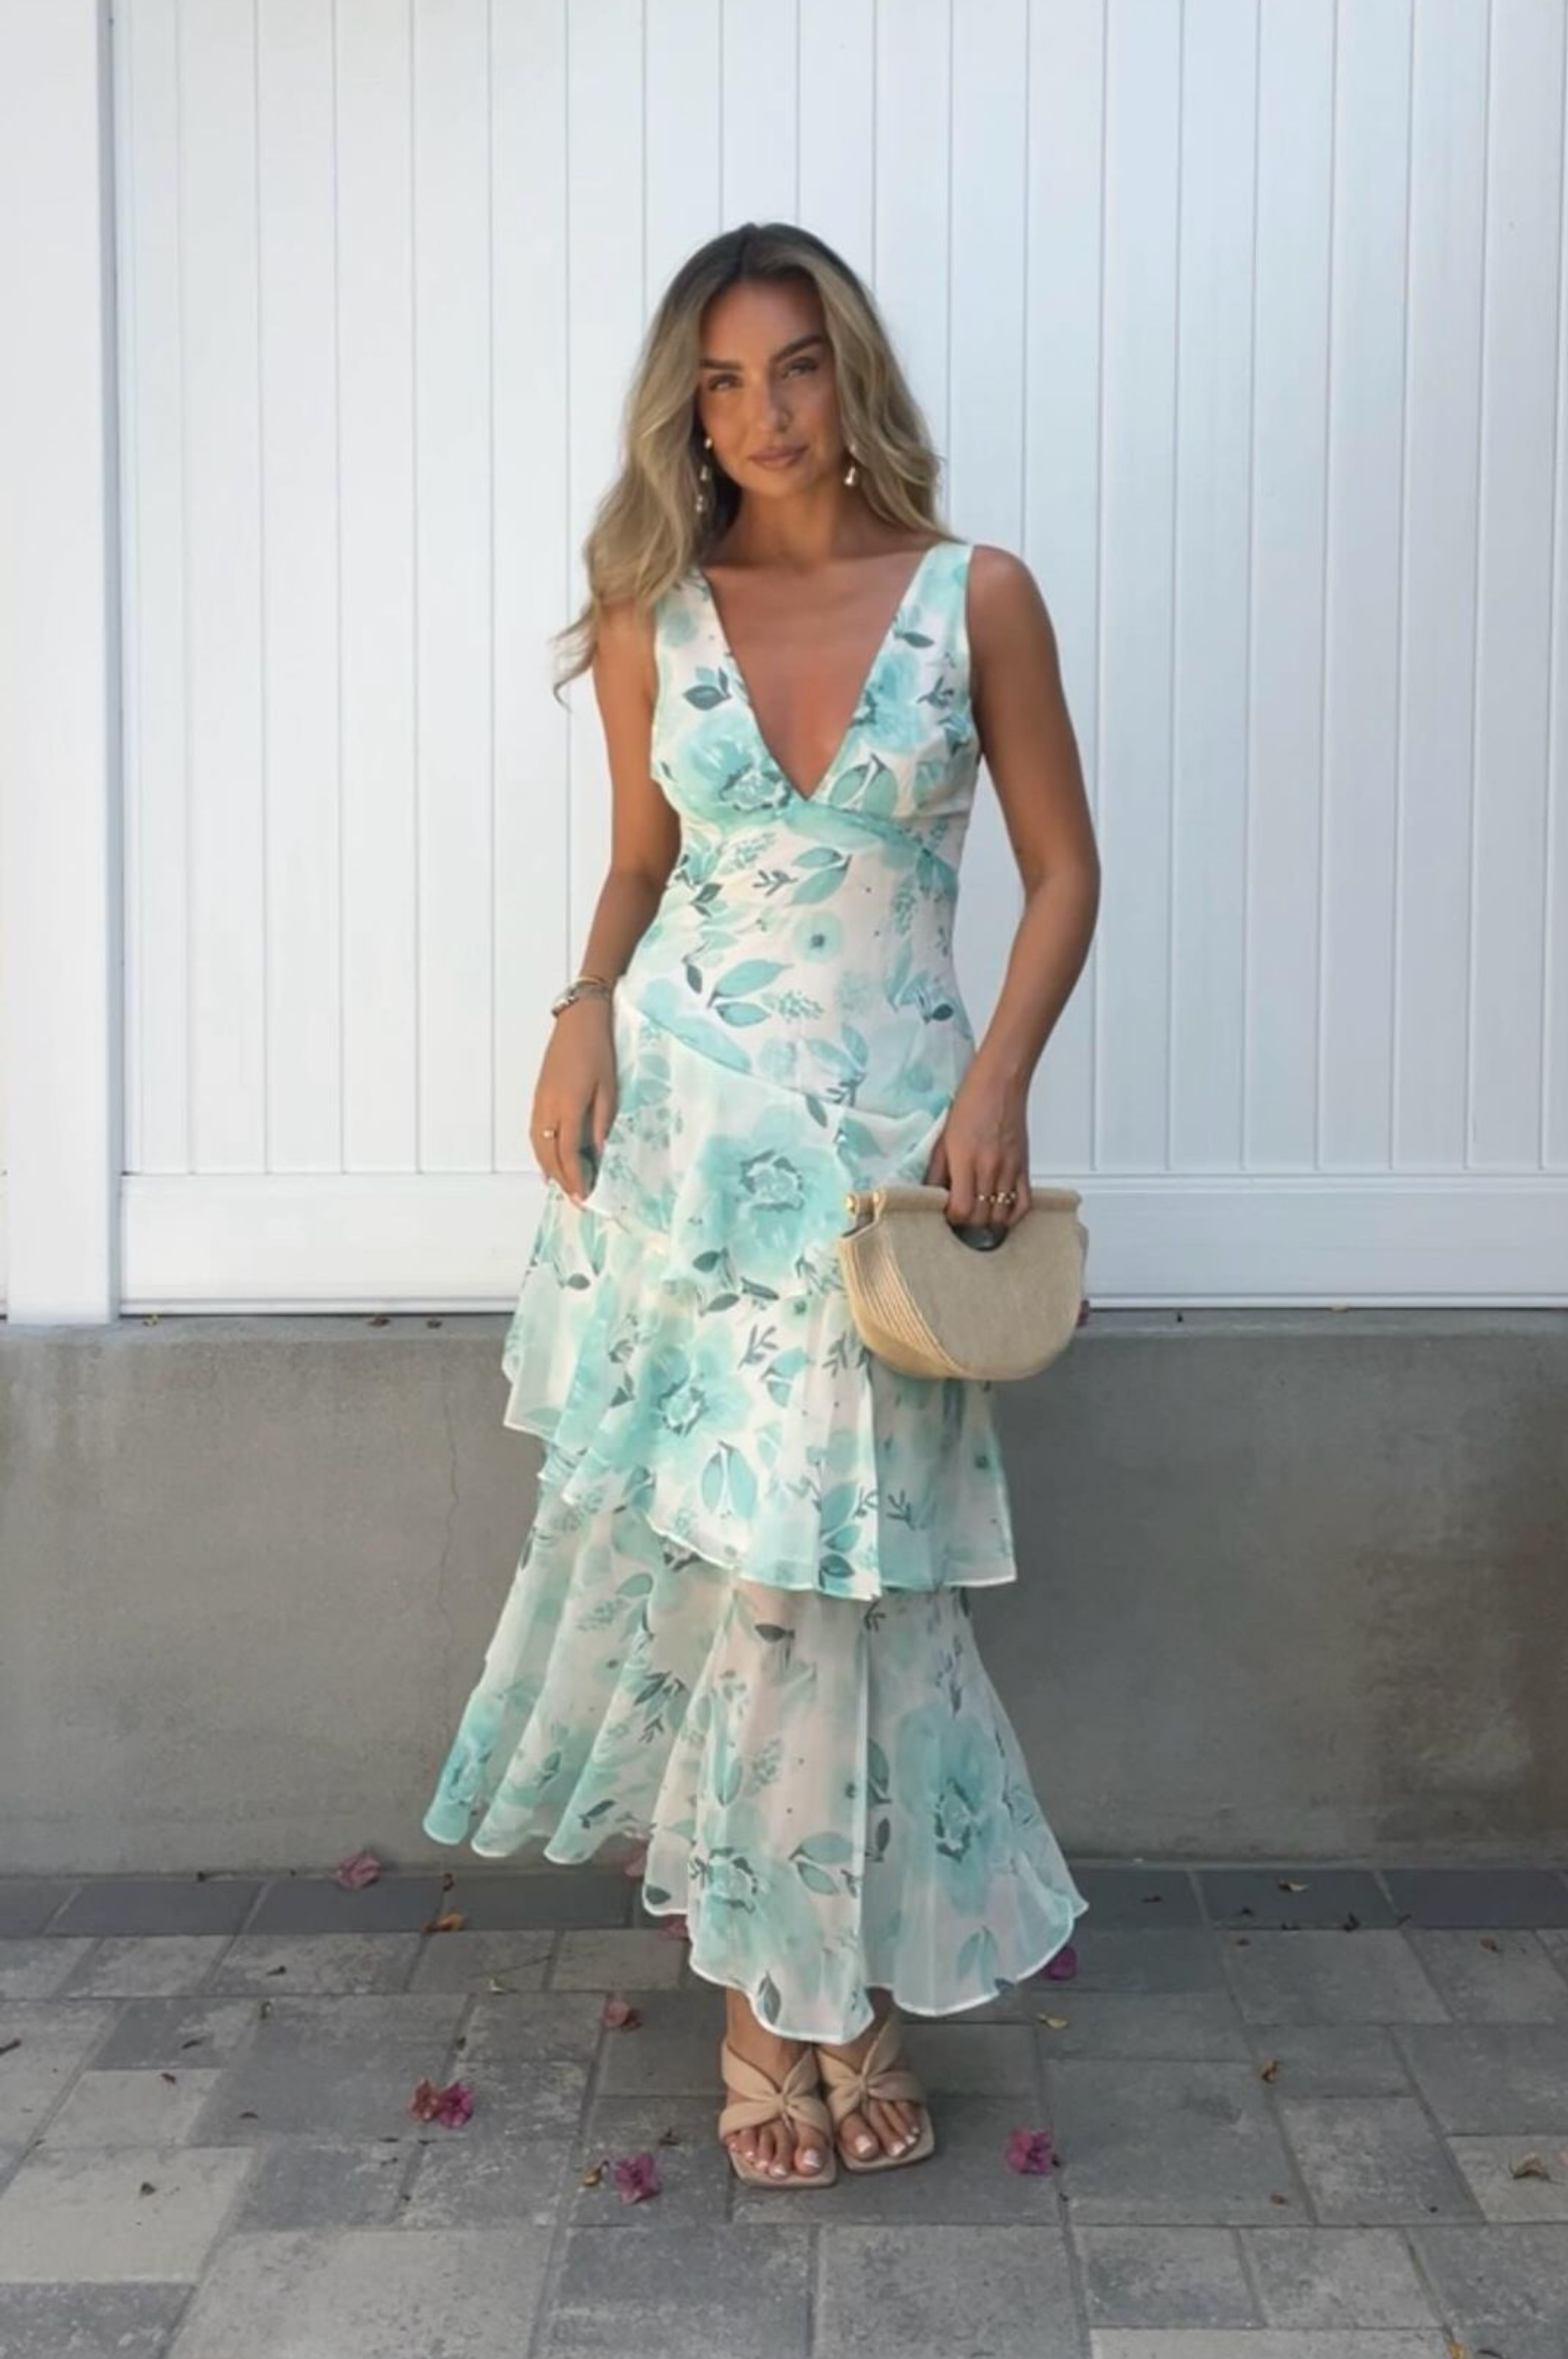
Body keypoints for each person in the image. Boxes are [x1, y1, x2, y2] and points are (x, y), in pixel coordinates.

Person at [422, 220, 1100, 2190]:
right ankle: (812, 2006)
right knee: (754, 1578)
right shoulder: (655, 607)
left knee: (843, 1580)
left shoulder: (981, 597)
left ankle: (792, 1993)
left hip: (892, 1174)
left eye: (794, 365)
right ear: (684, 408)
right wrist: (576, 1017)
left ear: (849, 370)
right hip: (693, 1162)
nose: (765, 413)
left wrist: (999, 1082)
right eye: (721, 381)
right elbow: (642, 859)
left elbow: (1062, 873)